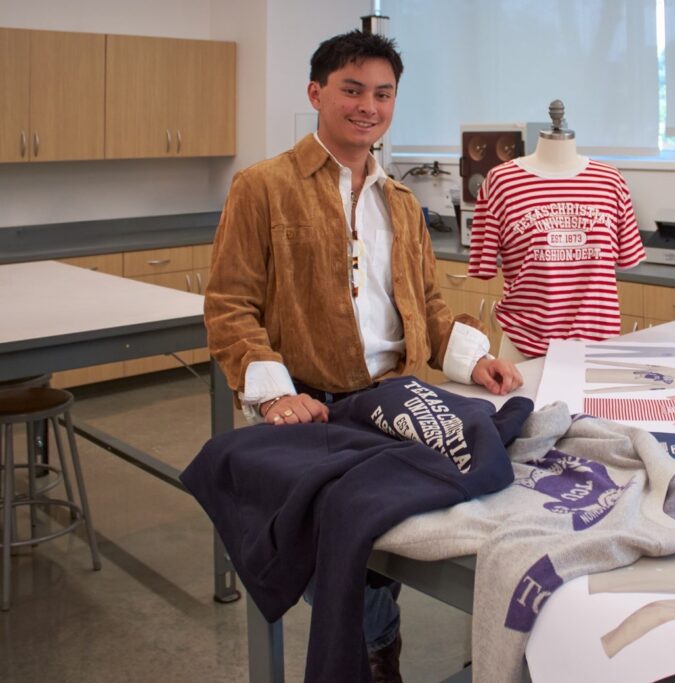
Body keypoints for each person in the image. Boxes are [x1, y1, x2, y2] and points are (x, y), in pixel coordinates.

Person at [203, 29, 522, 683]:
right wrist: (273, 391)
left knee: (398, 535)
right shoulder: (262, 188)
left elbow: (427, 305)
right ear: (317, 93)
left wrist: (471, 359)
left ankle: (380, 646)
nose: (367, 106)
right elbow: (231, 305)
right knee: (335, 557)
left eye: (383, 93)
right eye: (352, 90)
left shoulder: (399, 203)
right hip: (312, 410)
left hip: (390, 400)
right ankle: (376, 646)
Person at [468, 100, 646, 361]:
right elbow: (482, 265)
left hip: (598, 348)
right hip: (524, 346)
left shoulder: (610, 181)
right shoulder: (500, 182)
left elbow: (626, 258)